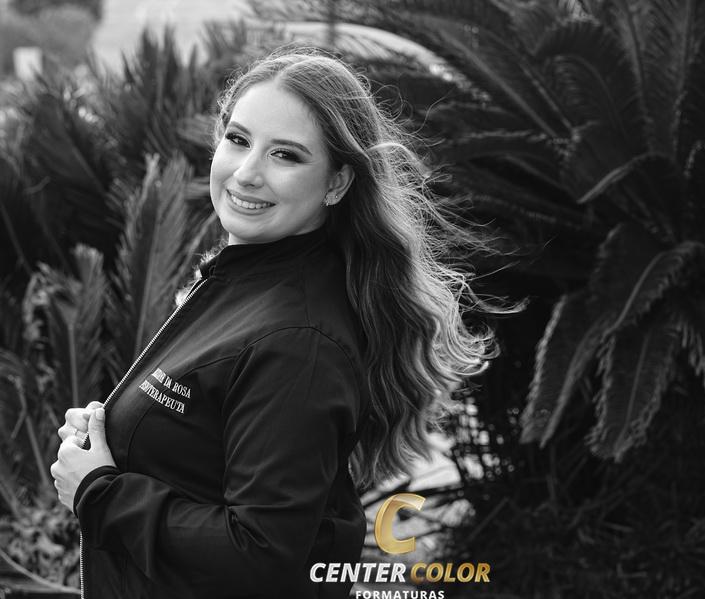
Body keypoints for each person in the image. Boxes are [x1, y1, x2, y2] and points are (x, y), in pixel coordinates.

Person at [50, 46, 518, 598]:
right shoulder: (246, 281)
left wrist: (99, 492)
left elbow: (261, 554)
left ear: (337, 183)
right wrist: (111, 440)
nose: (247, 173)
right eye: (238, 140)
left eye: (286, 155)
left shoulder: (299, 341)